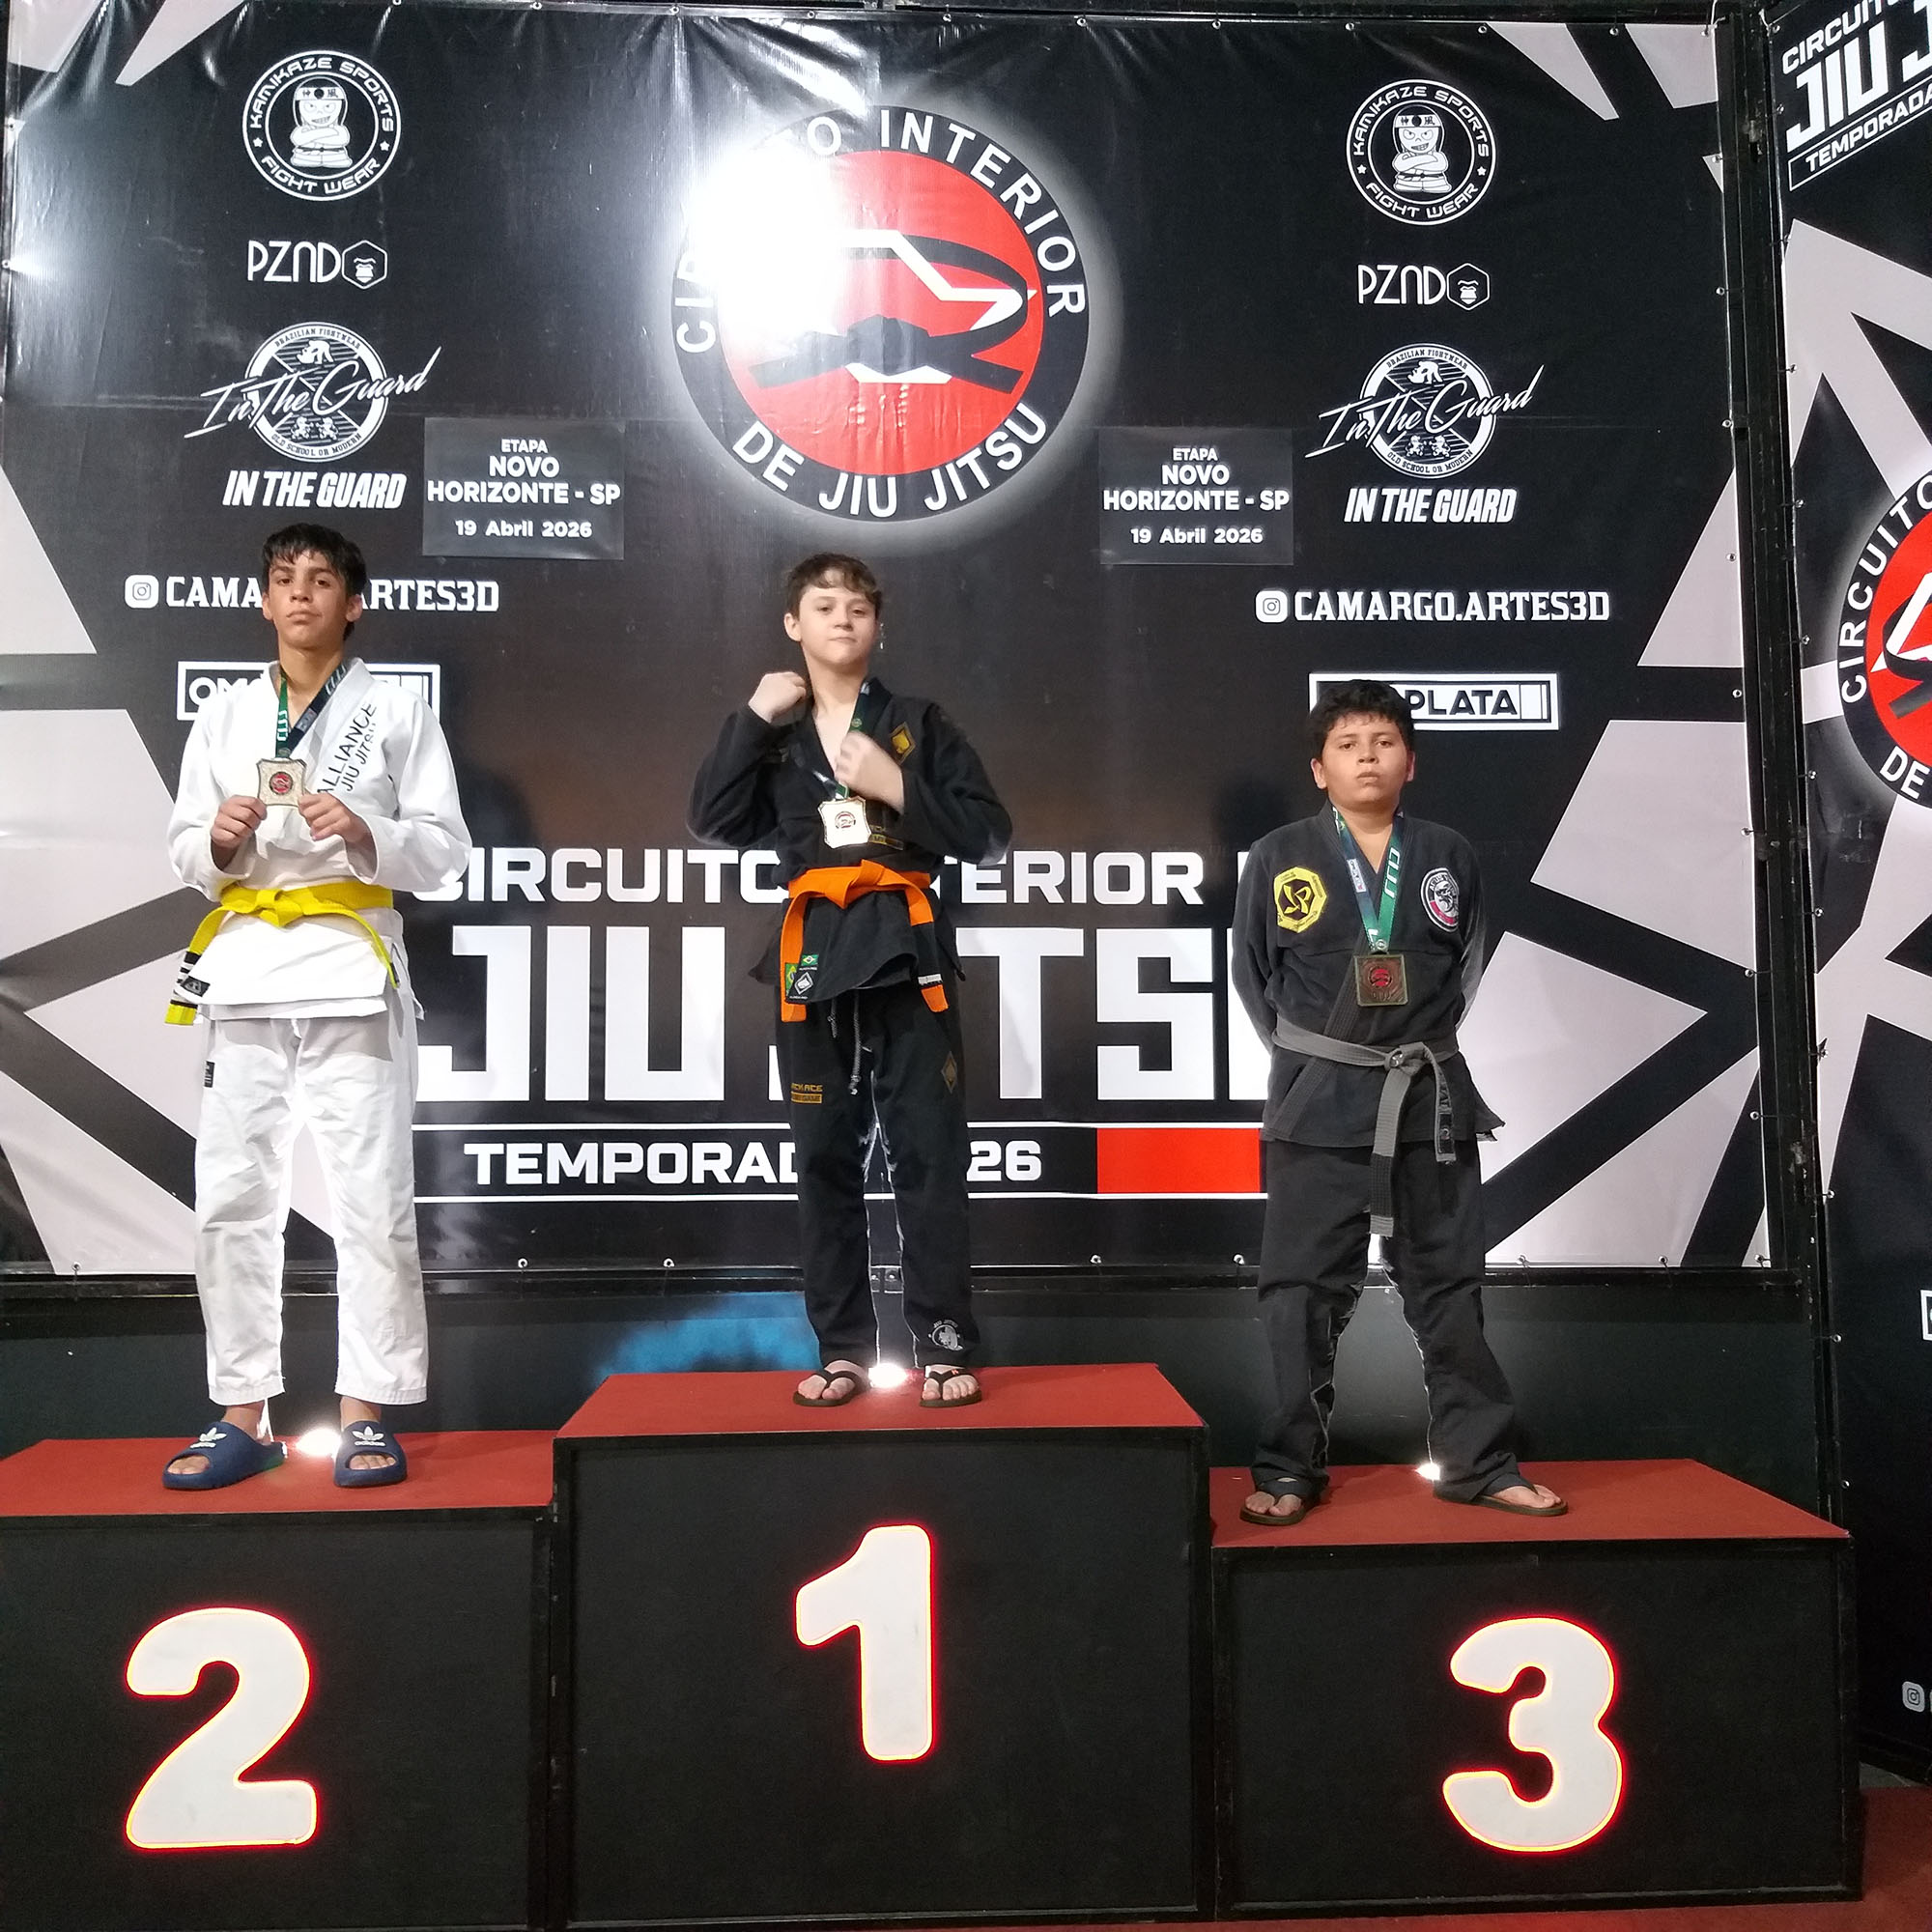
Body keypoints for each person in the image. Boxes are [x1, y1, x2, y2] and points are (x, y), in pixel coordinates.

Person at [160, 524, 470, 1489]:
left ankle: (366, 1411)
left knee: (371, 1199)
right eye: (285, 580)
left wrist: (369, 829)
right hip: (247, 970)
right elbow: (183, 848)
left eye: (322, 579)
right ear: (264, 601)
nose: (301, 593)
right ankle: (240, 1411)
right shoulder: (223, 714)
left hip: (351, 967)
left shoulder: (397, 711)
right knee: (231, 1200)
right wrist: (215, 839)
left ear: (353, 603)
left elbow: (447, 852)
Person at [1231, 680, 1563, 1524]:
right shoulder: (1278, 856)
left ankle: (1479, 1463)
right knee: (1299, 1295)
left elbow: (1466, 969)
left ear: (1410, 761)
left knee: (1450, 1290)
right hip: (1318, 1106)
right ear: (1319, 769)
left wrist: (1408, 1052)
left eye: (1383, 742)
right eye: (1348, 745)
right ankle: (1289, 1469)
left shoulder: (1448, 854)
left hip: (1428, 1106)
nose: (1367, 757)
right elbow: (1254, 979)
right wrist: (1322, 1066)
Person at [690, 554, 1009, 1408]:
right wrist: (753, 717)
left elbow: (989, 835)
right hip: (814, 955)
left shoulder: (918, 723)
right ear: (793, 625)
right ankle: (842, 1350)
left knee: (929, 1155)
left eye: (858, 608)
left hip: (907, 949)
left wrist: (896, 784)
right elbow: (712, 820)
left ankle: (943, 1344)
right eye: (824, 606)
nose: (842, 619)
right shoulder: (777, 732)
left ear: (878, 628)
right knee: (822, 1158)